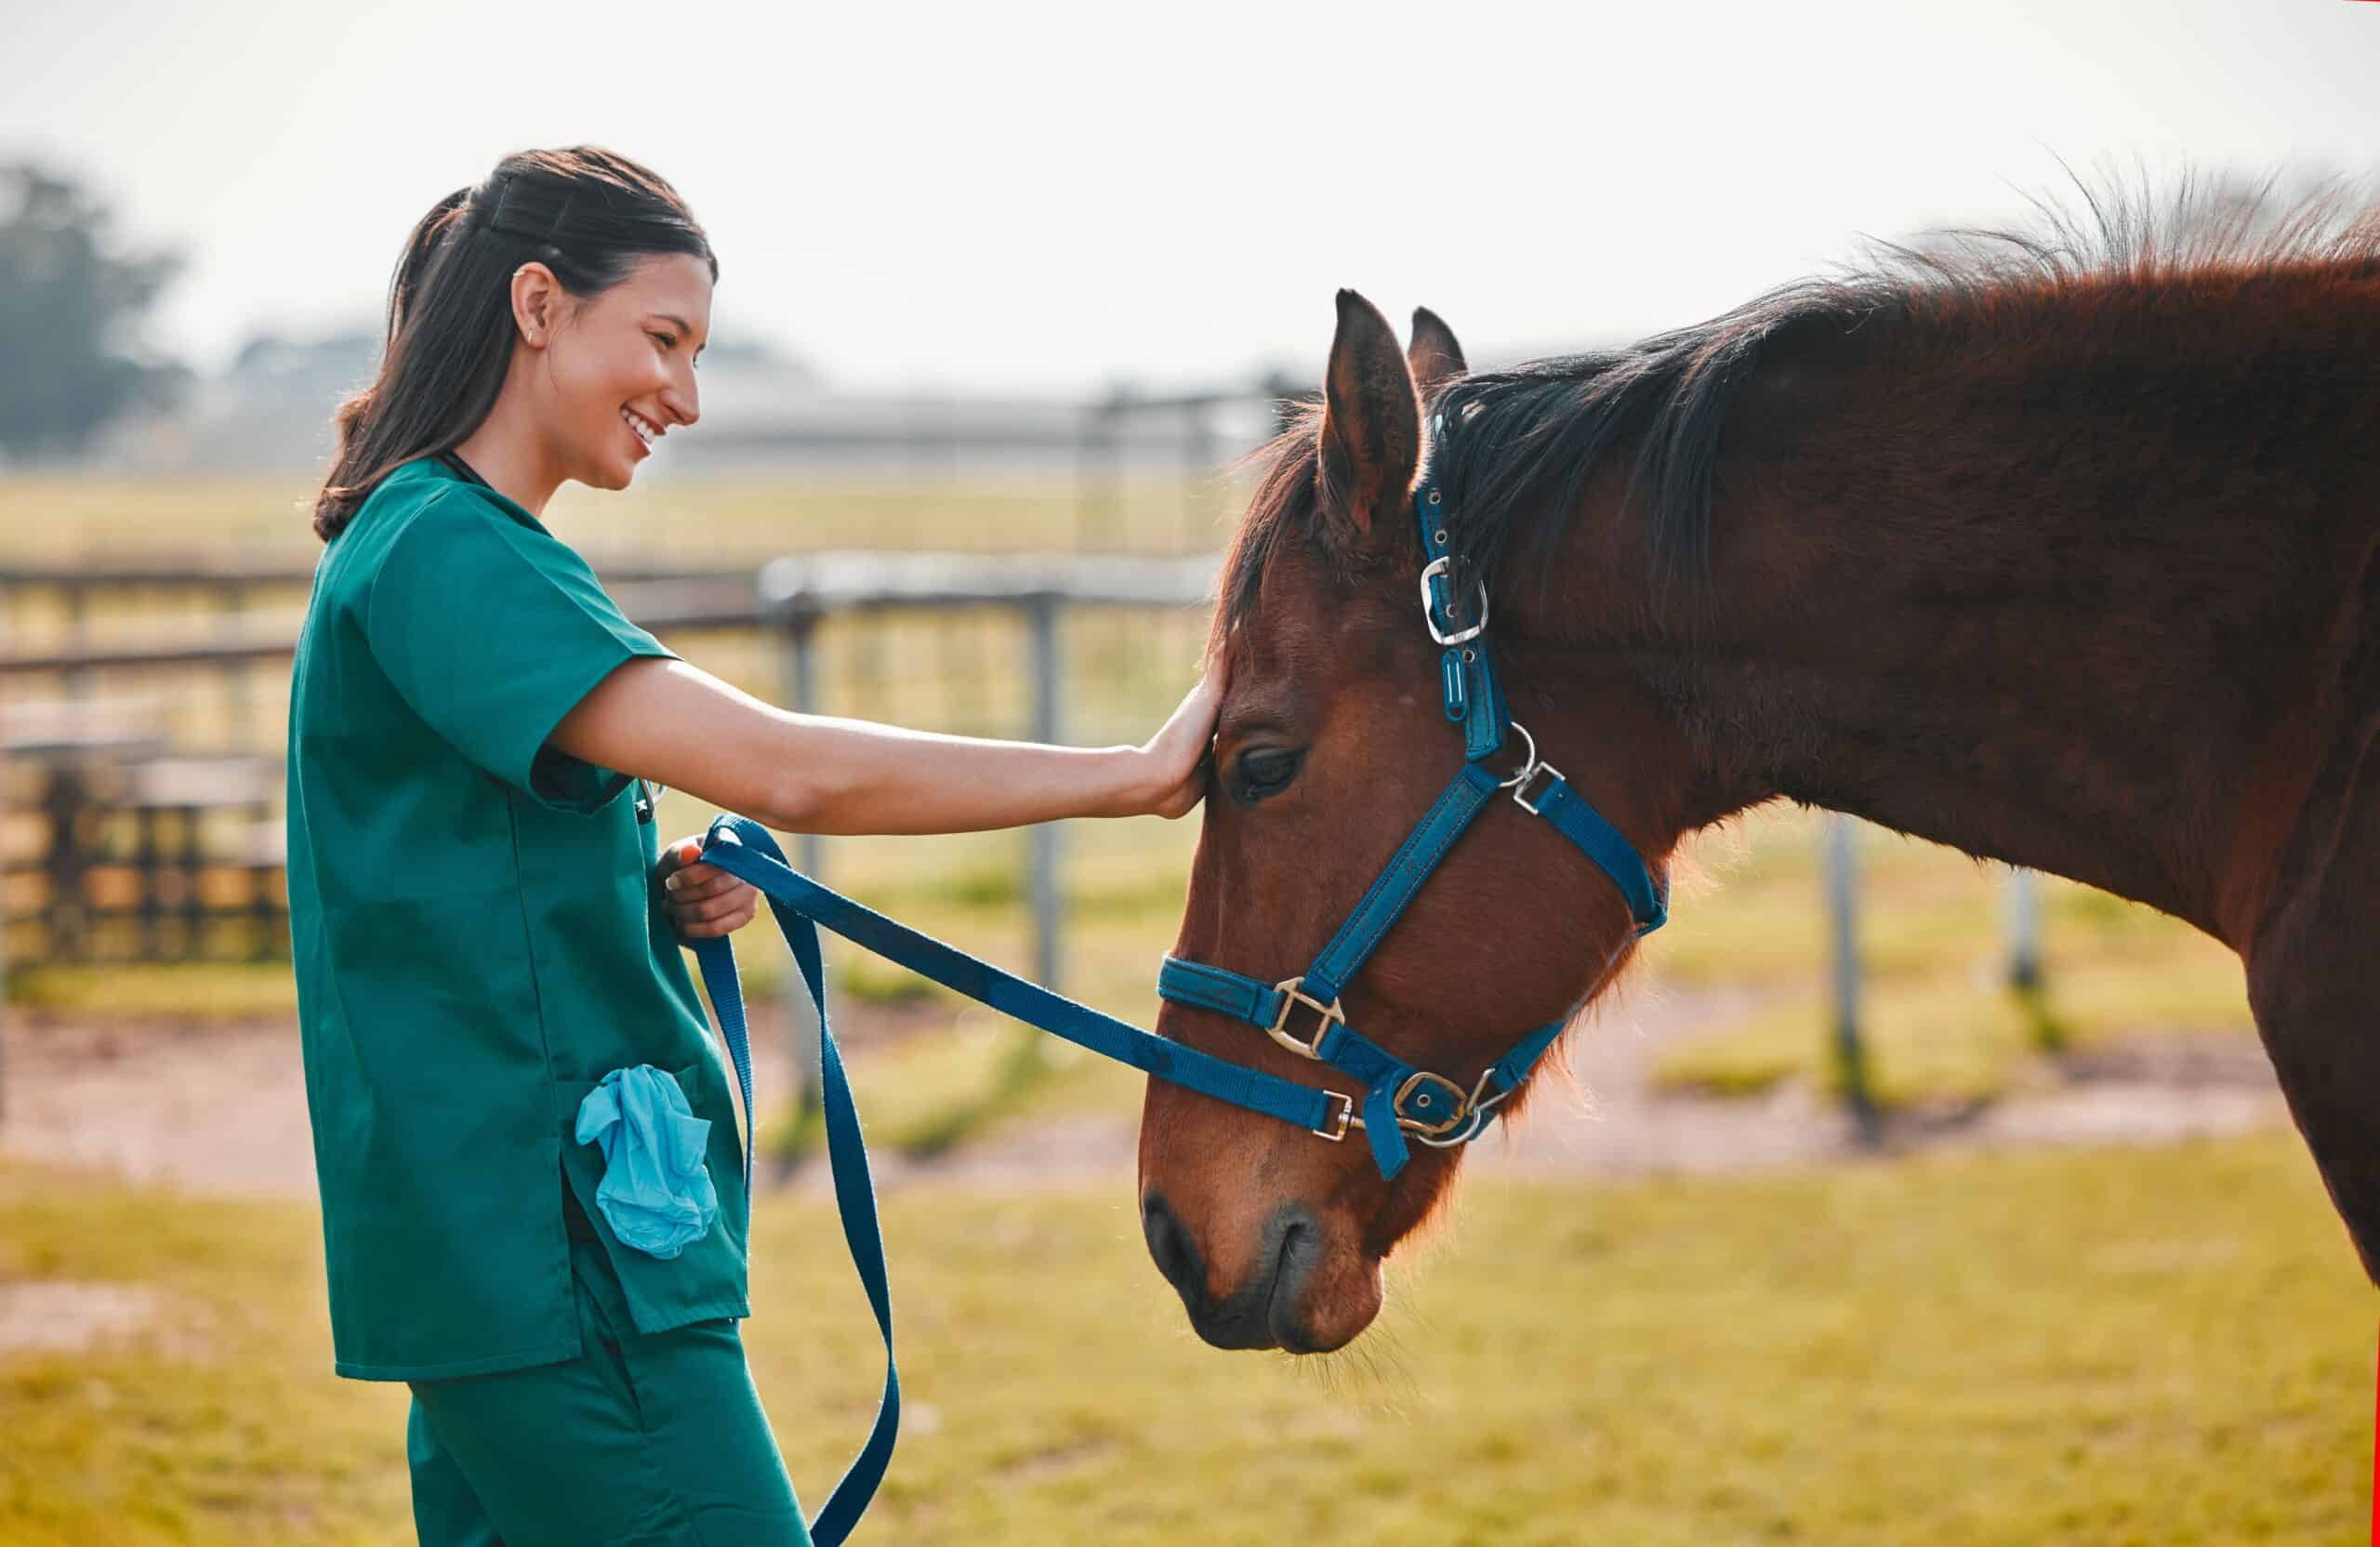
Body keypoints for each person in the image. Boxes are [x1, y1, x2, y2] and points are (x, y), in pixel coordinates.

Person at [289, 145, 1225, 1547]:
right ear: (537, 304)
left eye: (699, 351)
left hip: (503, 1255)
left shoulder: (433, 540)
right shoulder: (449, 548)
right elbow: (795, 767)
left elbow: (462, 866)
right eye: (661, 339)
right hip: (561, 1262)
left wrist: (648, 889)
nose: (688, 393)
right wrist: (1135, 775)